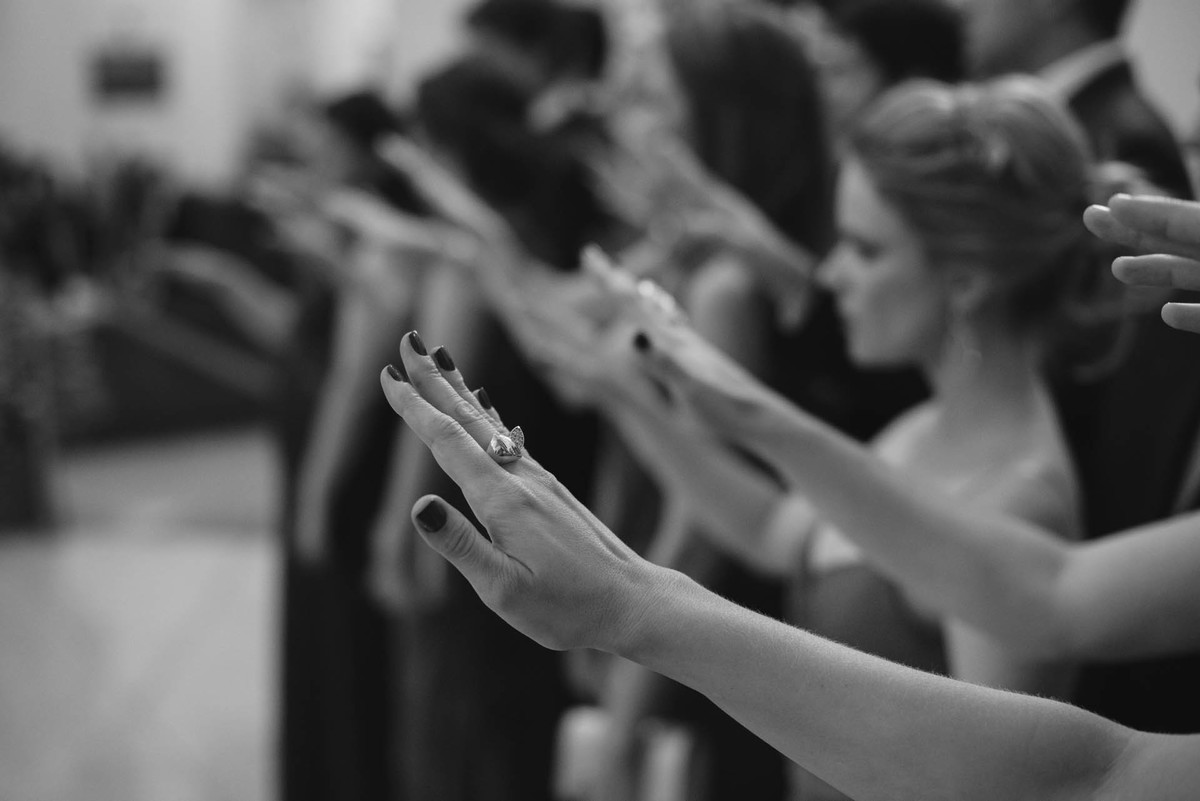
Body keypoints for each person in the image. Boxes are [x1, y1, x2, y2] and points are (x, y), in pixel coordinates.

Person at [373, 290, 1200, 798]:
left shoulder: (1021, 488)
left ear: (968, 279)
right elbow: (782, 530)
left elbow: (1061, 776)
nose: (829, 272)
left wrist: (631, 606)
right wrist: (640, 397)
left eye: (867, 250)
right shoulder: (917, 430)